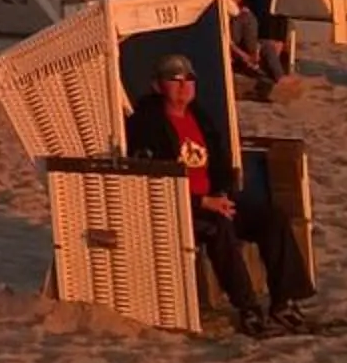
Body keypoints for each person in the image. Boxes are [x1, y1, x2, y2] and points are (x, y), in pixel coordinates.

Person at [126, 54, 314, 335]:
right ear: (157, 86)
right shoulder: (145, 125)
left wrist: (221, 194)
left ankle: (284, 302)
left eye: (189, 79)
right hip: (178, 207)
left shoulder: (199, 117)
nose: (183, 85)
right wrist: (203, 202)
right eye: (174, 80)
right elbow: (152, 180)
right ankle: (248, 308)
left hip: (213, 199)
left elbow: (221, 163)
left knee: (272, 218)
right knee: (218, 226)